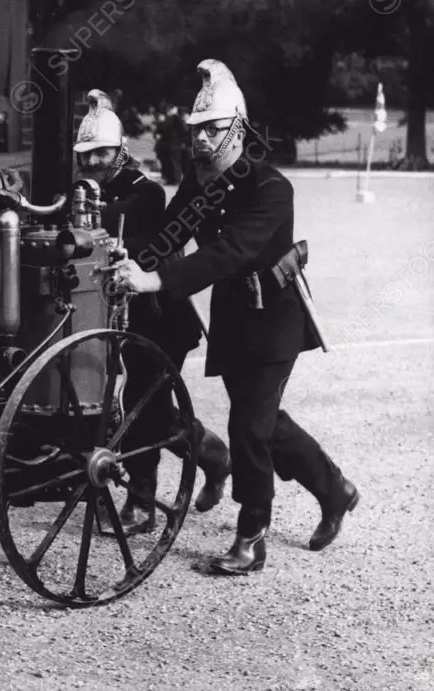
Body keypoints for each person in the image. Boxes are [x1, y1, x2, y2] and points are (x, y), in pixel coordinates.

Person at [115, 60, 360, 574]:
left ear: (239, 128)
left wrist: (158, 280)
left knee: (247, 424)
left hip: (275, 319)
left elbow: (229, 251)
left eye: (214, 128)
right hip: (232, 317)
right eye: (197, 129)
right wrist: (130, 258)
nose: (202, 138)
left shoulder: (271, 188)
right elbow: (171, 234)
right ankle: (333, 487)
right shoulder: (201, 181)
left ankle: (252, 534)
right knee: (264, 422)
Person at [73, 89, 231, 533]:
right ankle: (215, 458)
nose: (94, 161)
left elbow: (135, 231)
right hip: (112, 315)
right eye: (86, 154)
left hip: (160, 316)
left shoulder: (145, 193)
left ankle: (143, 503)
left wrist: (89, 216)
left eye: (102, 151)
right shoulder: (85, 187)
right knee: (143, 407)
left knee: (144, 407)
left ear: (120, 150)